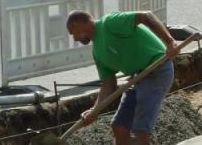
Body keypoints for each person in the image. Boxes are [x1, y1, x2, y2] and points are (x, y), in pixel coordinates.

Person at [66, 10, 181, 145]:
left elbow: (146, 16)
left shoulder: (109, 23)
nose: (74, 39)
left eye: (72, 33)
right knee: (120, 127)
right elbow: (109, 83)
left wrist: (170, 41)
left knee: (139, 129)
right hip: (137, 78)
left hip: (157, 70)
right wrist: (95, 110)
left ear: (76, 24)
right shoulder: (97, 52)